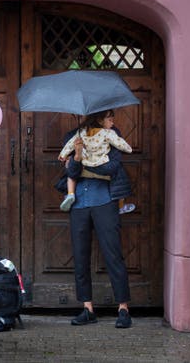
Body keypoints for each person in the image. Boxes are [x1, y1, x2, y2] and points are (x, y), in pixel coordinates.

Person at [64, 109, 133, 329]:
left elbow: (113, 166)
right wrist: (77, 158)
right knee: (81, 255)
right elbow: (71, 172)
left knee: (113, 253)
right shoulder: (73, 136)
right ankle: (88, 308)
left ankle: (123, 309)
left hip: (105, 200)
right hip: (79, 203)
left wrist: (89, 162)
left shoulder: (111, 133)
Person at [58, 112, 135, 215]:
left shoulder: (110, 131)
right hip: (99, 164)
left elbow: (111, 167)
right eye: (79, 116)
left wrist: (66, 157)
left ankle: (70, 193)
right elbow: (71, 171)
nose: (82, 118)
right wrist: (129, 149)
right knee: (70, 171)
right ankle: (71, 194)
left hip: (104, 196)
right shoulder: (105, 133)